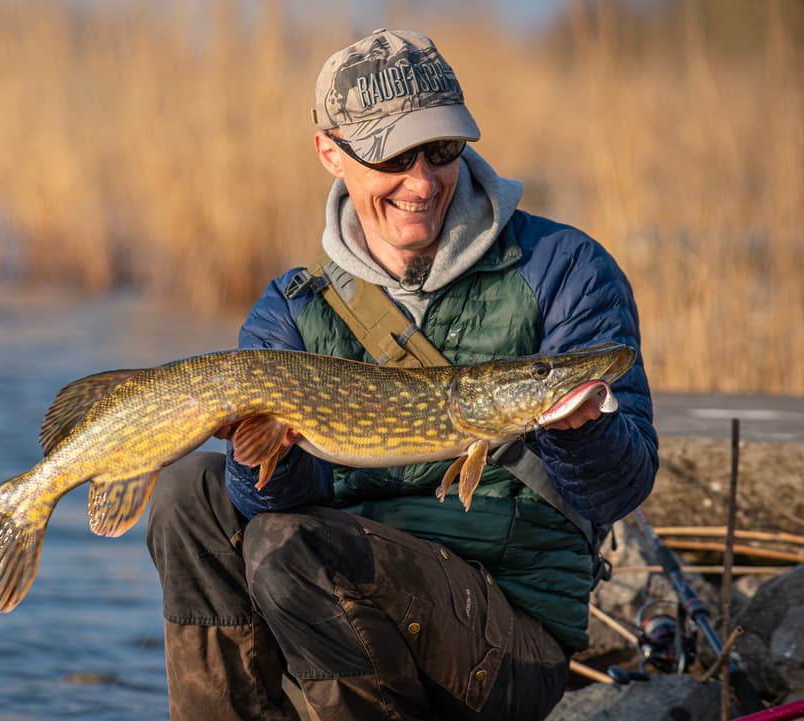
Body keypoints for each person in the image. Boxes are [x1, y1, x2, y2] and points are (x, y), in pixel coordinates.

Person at [146, 28, 658, 721]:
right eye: (392, 154)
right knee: (186, 491)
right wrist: (257, 454)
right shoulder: (293, 313)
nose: (422, 181)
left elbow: (619, 488)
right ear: (330, 151)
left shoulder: (563, 268)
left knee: (290, 542)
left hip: (506, 642)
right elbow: (273, 502)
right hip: (341, 621)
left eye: (442, 150)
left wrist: (582, 430)